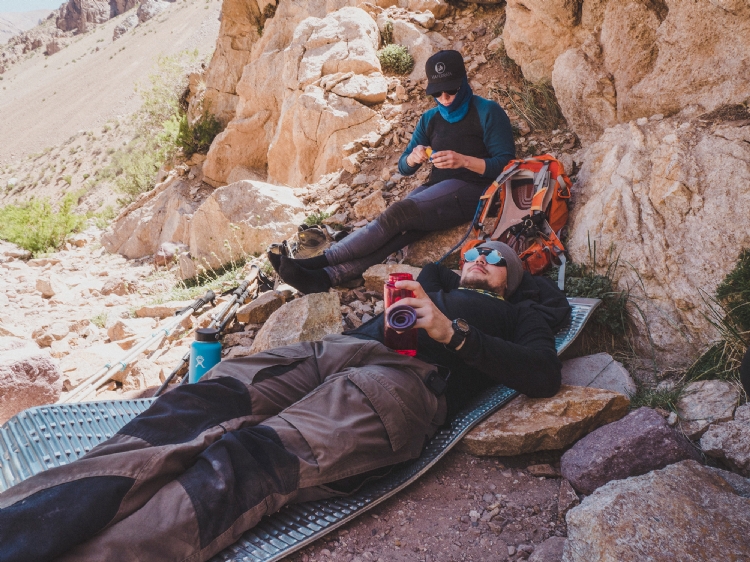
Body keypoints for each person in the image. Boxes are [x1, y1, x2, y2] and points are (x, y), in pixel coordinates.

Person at [0, 242, 568, 562]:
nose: (479, 256)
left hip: (408, 383)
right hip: (332, 351)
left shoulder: (521, 313)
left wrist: (452, 333)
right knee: (183, 415)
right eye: (475, 248)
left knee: (246, 463)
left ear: (512, 279)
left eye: (494, 256)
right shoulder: (436, 281)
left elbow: (542, 374)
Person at [273, 49, 515, 294]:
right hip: (437, 189)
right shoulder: (430, 119)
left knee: (398, 214)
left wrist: (463, 161)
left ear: (463, 82)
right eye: (437, 92)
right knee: (402, 233)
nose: (445, 97)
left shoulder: (487, 112)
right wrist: (413, 157)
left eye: (451, 90)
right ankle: (326, 277)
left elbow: (506, 165)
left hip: (477, 191)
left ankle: (318, 262)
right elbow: (403, 167)